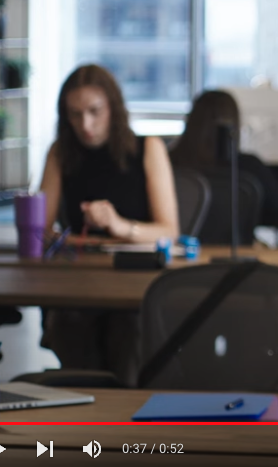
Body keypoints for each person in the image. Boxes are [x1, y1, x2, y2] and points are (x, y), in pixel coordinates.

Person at [37, 64, 180, 385]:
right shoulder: (61, 153)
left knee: (127, 331)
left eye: (94, 111)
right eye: (74, 115)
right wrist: (57, 237)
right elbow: (41, 229)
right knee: (68, 325)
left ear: (113, 108)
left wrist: (120, 225)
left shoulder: (148, 149)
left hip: (135, 280)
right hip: (81, 280)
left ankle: (119, 419)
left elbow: (169, 230)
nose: (85, 125)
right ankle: (85, 415)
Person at [169, 89, 278, 227]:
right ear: (234, 124)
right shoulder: (248, 166)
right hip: (237, 248)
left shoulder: (168, 163)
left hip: (179, 246)